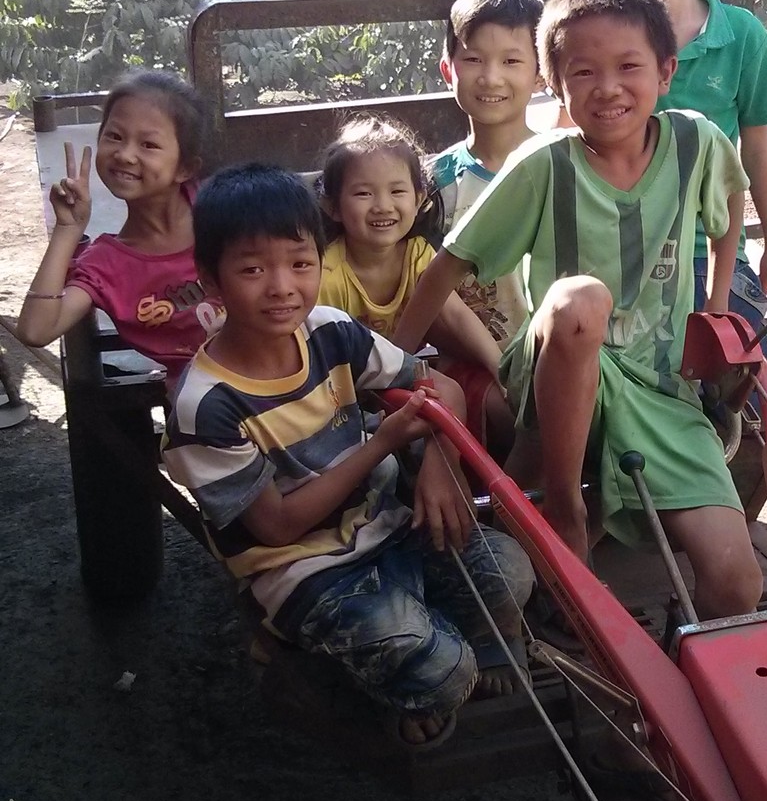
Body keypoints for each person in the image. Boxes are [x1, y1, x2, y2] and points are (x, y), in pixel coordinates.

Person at [394, 0, 763, 621]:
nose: (609, 87)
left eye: (629, 66)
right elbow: (445, 269)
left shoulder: (695, 142)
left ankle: (687, 679)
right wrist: (384, 365)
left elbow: (731, 198)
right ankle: (562, 504)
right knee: (580, 301)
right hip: (554, 368)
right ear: (555, 84)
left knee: (738, 584)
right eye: (583, 72)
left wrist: (714, 307)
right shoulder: (544, 166)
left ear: (666, 70)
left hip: (660, 387)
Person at [163, 163, 534, 750]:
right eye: (254, 269)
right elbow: (279, 526)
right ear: (211, 278)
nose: (283, 286)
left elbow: (445, 389)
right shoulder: (205, 404)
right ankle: (361, 664)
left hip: (387, 529)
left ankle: (419, 641)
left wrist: (441, 459)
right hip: (304, 571)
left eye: (300, 262)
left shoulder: (330, 330)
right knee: (444, 672)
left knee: (510, 567)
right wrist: (384, 442)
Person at [579, 0, 767, 394]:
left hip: (710, 252)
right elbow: (571, 135)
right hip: (617, 255)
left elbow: (757, 148)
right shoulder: (596, 39)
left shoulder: (740, 34)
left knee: (754, 386)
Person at [316, 115, 512, 453]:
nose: (382, 205)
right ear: (333, 207)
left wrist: (501, 371)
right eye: (363, 193)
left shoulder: (417, 254)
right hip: (346, 396)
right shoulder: (329, 273)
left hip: (402, 380)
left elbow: (456, 314)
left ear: (420, 198)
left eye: (397, 191)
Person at [17, 70, 221, 386]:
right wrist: (68, 229)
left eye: (149, 144)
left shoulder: (223, 210)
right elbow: (35, 330)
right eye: (114, 136)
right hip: (200, 404)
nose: (125, 155)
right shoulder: (106, 265)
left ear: (185, 168)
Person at [430, 0, 544, 352]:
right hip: (469, 366)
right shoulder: (433, 182)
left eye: (512, 61)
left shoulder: (563, 165)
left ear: (541, 74)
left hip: (558, 360)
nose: (491, 77)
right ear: (449, 71)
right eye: (474, 59)